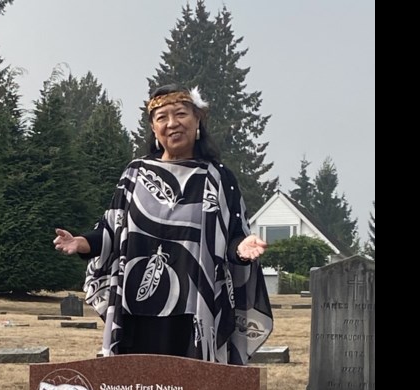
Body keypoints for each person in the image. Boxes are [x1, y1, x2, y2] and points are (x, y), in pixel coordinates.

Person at [53, 84, 273, 364]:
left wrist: (242, 249)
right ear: (154, 129)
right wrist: (83, 243)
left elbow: (231, 238)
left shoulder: (217, 177)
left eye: (180, 114)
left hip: (196, 308)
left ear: (197, 121)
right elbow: (112, 229)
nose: (172, 124)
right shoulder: (135, 173)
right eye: (162, 117)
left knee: (193, 389)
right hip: (135, 311)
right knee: (136, 389)